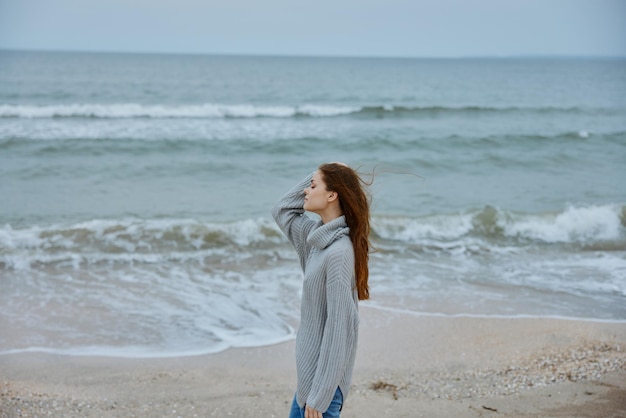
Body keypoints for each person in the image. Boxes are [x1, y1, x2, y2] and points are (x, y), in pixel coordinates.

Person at [272, 162, 371, 418]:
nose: (306, 190)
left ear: (332, 195)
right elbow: (282, 210)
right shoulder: (315, 240)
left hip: (321, 392)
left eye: (312, 185)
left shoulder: (338, 253)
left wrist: (321, 395)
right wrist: (321, 171)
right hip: (309, 385)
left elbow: (340, 328)